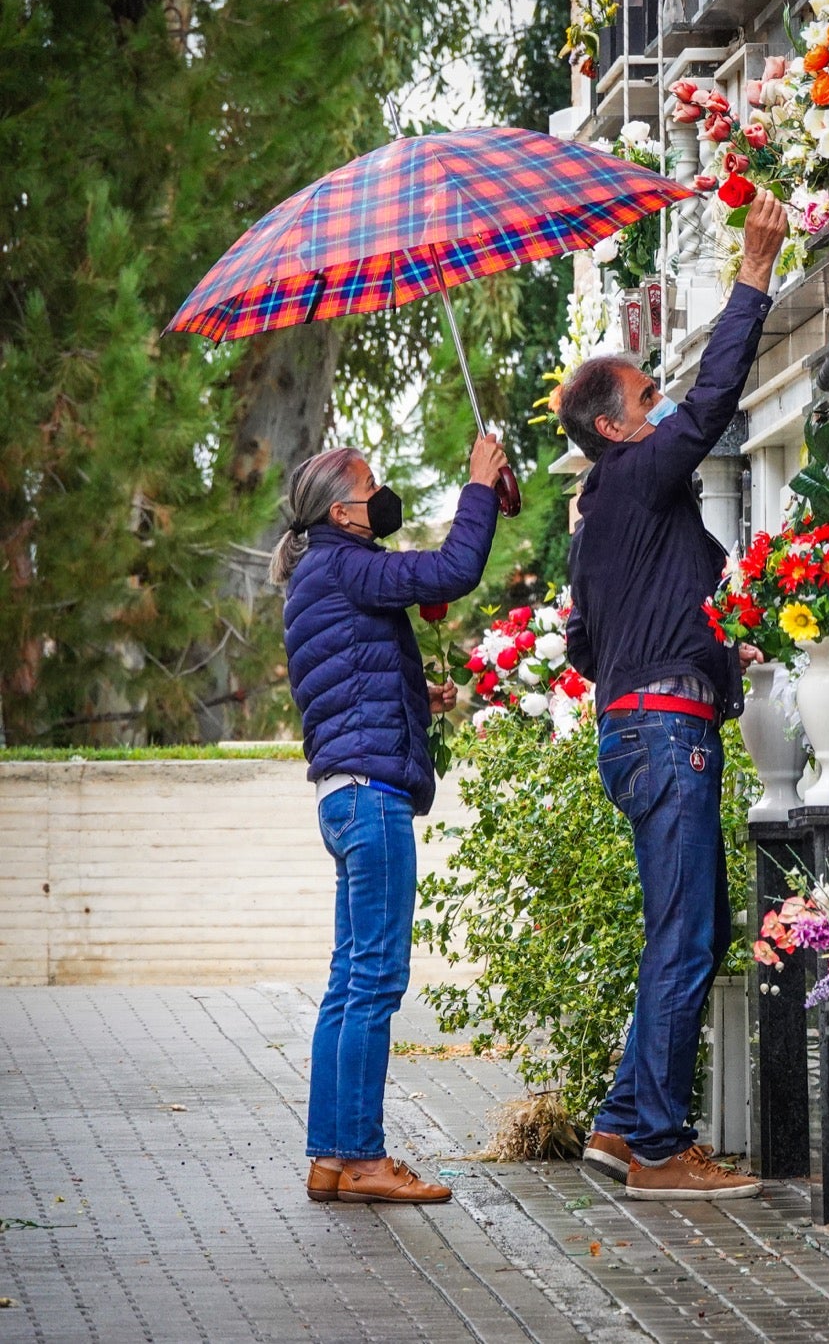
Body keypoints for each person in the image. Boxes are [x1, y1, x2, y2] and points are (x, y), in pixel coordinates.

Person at [560, 189, 788, 1201]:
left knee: (679, 927)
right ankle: (660, 1148)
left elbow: (578, 644)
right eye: (643, 401)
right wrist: (751, 276)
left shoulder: (599, 510)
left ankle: (618, 1124)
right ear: (615, 425)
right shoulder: (637, 473)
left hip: (637, 726)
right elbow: (711, 406)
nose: (658, 411)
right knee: (689, 933)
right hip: (667, 732)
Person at [270, 434, 507, 1204]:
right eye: (371, 486)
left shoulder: (316, 575)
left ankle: (331, 1159)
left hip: (343, 796)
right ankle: (366, 1158)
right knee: (375, 980)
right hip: (373, 799)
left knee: (348, 982)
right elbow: (451, 570)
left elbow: (349, 688)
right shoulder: (344, 560)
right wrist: (478, 485)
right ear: (341, 508)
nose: (383, 496)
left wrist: (416, 696)